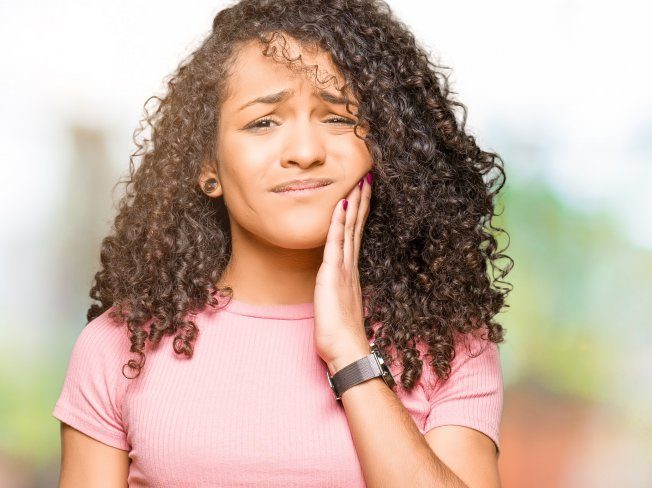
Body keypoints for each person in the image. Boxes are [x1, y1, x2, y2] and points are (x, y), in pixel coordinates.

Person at [53, 0, 512, 486]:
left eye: (337, 118)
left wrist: (351, 356)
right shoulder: (121, 345)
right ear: (208, 167)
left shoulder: (449, 345)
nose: (305, 152)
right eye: (263, 122)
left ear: (386, 149)